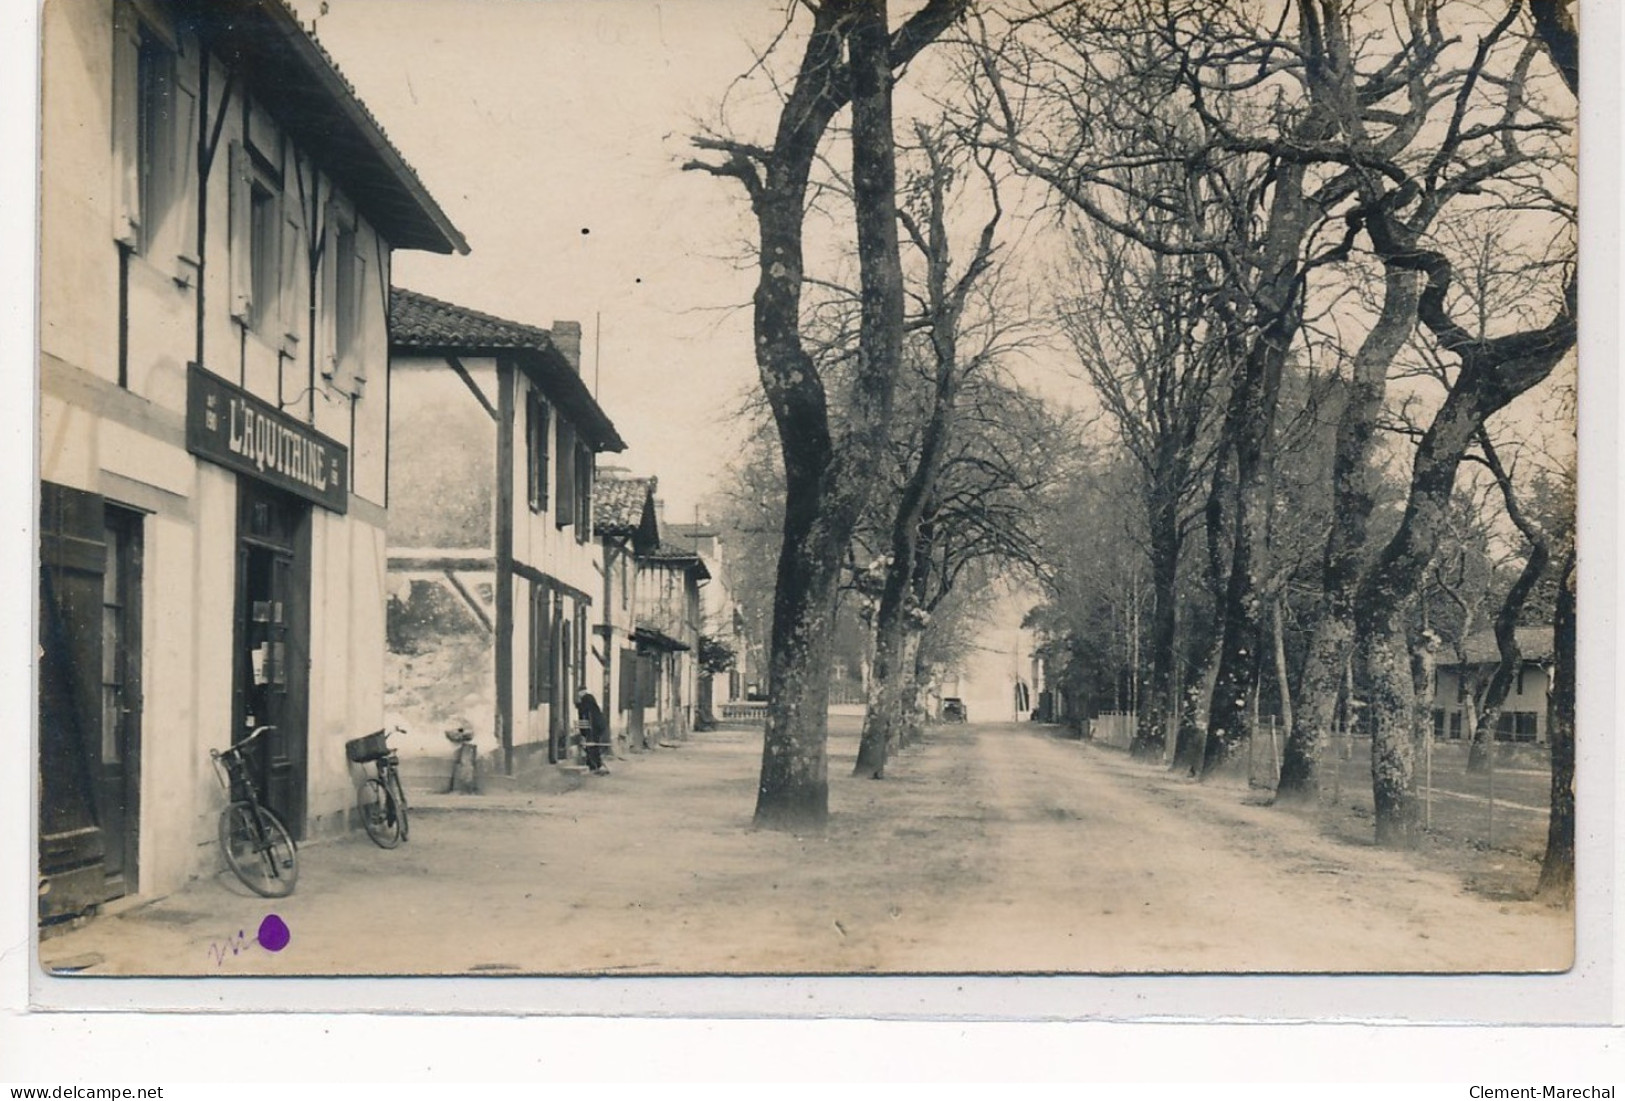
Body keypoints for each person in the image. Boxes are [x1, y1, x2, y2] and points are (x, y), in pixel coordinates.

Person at [575, 687, 610, 775]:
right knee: (593, 745)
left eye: (579, 693)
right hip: (597, 725)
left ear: (581, 693)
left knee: (592, 745)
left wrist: (583, 731)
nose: (578, 695)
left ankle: (595, 764)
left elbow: (585, 716)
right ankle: (594, 764)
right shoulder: (590, 699)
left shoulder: (586, 701)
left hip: (593, 727)